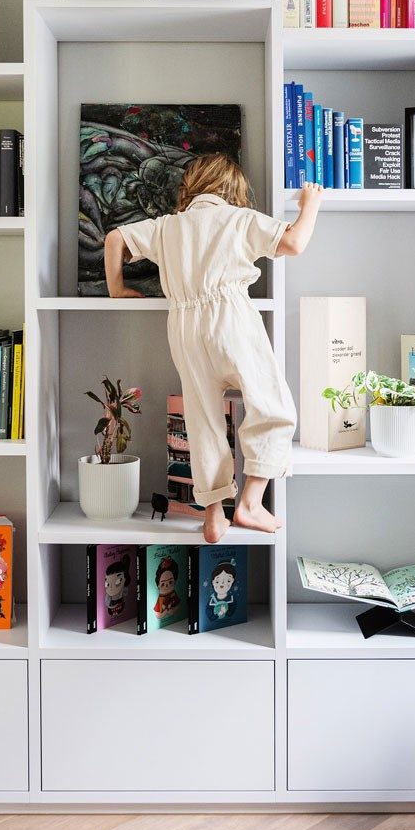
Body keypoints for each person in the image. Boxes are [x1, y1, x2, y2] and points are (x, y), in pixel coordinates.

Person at [105, 155, 321, 542]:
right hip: (231, 320)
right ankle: (251, 503)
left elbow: (115, 238)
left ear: (191, 187)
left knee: (202, 421)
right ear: (232, 189)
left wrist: (117, 289)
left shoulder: (168, 227)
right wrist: (311, 205)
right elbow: (293, 242)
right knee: (271, 407)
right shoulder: (239, 219)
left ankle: (213, 516)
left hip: (184, 326)